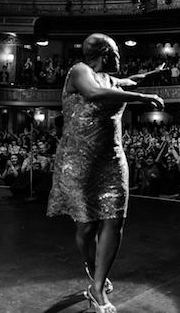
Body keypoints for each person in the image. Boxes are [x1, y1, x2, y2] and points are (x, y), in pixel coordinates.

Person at [46, 33, 164, 313]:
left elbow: (130, 79)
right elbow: (93, 93)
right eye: (116, 51)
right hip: (78, 160)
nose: (120, 56)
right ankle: (92, 268)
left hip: (111, 159)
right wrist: (140, 97)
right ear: (104, 52)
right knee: (86, 226)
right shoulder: (79, 72)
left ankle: (97, 287)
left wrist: (150, 75)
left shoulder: (112, 81)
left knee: (113, 222)